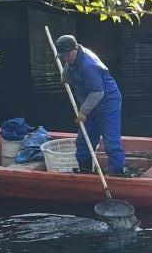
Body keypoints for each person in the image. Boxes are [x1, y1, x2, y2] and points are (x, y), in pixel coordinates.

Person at [55, 34, 132, 176]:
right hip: (90, 105)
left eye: (68, 55)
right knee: (83, 142)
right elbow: (69, 64)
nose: (67, 58)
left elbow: (97, 92)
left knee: (111, 142)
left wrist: (83, 111)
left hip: (107, 103)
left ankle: (119, 171)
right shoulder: (72, 58)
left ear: (76, 48)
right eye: (64, 56)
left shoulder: (88, 65)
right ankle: (86, 172)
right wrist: (65, 75)